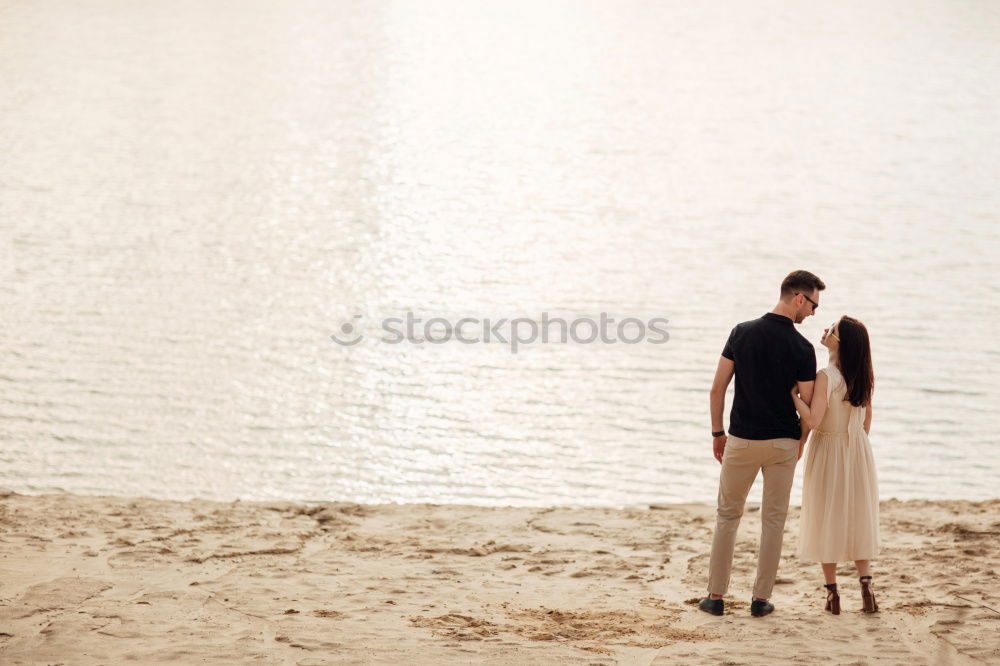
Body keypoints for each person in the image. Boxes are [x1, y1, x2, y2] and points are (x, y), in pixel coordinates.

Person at [699, 270, 825, 618]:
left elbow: (717, 388)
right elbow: (806, 404)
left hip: (740, 440)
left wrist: (716, 433)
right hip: (783, 443)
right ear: (799, 297)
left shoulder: (741, 332)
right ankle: (759, 600)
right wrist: (800, 443)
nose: (813, 313)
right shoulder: (802, 348)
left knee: (727, 516)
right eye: (813, 305)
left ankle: (715, 597)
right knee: (773, 521)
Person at [790, 316, 880, 615]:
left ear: (841, 342)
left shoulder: (827, 375)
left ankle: (833, 594)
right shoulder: (863, 376)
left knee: (825, 516)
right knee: (857, 516)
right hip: (858, 450)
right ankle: (866, 586)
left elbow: (813, 421)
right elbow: (866, 423)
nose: (826, 331)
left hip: (828, 448)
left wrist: (793, 397)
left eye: (832, 330)